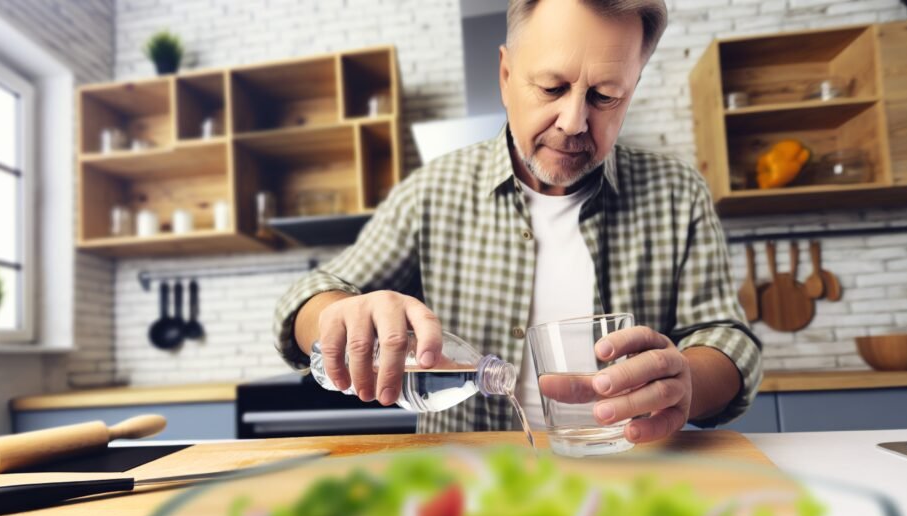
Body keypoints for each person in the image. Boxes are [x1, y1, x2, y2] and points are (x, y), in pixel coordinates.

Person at [274, 0, 761, 443]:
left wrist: (685, 382)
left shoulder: (677, 193)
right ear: (506, 76)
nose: (573, 121)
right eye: (552, 87)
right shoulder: (433, 192)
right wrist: (338, 315)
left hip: (630, 476)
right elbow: (308, 300)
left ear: (631, 91)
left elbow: (729, 339)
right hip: (464, 492)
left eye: (605, 96)